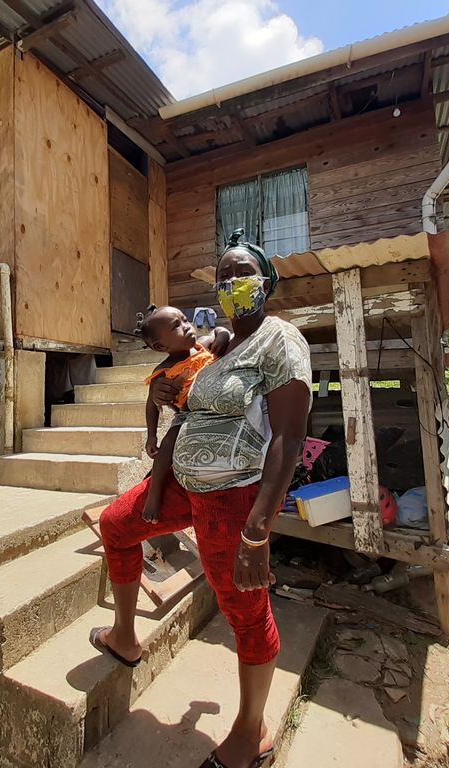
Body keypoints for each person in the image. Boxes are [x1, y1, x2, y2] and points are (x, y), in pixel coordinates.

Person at [91, 229, 312, 768]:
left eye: (244, 273)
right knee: (116, 524)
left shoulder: (280, 339)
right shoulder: (218, 344)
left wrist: (257, 531)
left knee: (244, 610)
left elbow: (288, 437)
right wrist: (161, 391)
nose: (234, 283)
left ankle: (250, 732)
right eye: (225, 276)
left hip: (232, 500)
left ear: (268, 283)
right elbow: (182, 377)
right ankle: (124, 635)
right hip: (184, 487)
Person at [135, 305, 229, 525]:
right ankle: (154, 495)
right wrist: (151, 436)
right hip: (187, 415)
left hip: (213, 410)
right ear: (161, 346)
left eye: (185, 320)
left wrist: (223, 333)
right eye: (177, 326)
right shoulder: (163, 372)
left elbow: (217, 332)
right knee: (168, 445)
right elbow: (152, 405)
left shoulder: (203, 345)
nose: (187, 326)